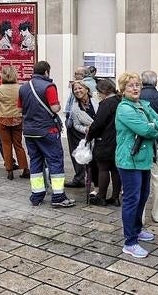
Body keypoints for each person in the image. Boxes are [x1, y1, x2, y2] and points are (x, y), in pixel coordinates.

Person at [115, 72, 158, 258]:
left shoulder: (143, 105)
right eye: (130, 86)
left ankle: (136, 229)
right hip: (129, 160)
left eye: (137, 85)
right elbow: (145, 129)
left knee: (143, 196)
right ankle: (130, 242)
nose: (135, 88)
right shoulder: (124, 109)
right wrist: (152, 126)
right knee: (131, 199)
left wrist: (151, 126)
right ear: (123, 89)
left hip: (143, 159)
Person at [18, 61, 75, 208]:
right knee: (55, 161)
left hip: (29, 131)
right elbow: (55, 108)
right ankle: (58, 196)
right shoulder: (48, 86)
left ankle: (37, 195)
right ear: (46, 72)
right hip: (47, 131)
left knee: (36, 162)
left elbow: (19, 110)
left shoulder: (23, 88)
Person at [139, 70, 158, 223]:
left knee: (141, 181)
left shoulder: (137, 98)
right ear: (156, 82)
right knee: (157, 178)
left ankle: (141, 216)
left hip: (140, 143)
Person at [86, 79, 121, 206]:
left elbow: (98, 123)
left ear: (103, 91)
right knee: (116, 169)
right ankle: (115, 197)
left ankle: (101, 196)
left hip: (105, 140)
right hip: (117, 140)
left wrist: (90, 135)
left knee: (103, 168)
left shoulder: (106, 104)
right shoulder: (119, 101)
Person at [0, 66, 29, 180]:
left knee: (6, 145)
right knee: (18, 144)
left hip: (2, 119)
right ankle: (25, 169)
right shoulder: (21, 88)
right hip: (18, 118)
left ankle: (9, 170)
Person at [69, 80, 99, 198]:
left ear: (86, 89)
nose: (77, 91)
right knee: (92, 163)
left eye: (80, 88)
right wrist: (85, 129)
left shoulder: (96, 100)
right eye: (75, 89)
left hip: (103, 135)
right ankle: (97, 187)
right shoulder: (75, 108)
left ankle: (120, 186)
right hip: (90, 137)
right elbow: (76, 125)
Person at [64, 66, 87, 188]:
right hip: (77, 125)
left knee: (77, 151)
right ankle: (83, 177)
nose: (75, 75)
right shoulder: (77, 86)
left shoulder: (82, 89)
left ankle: (79, 177)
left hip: (77, 126)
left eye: (77, 73)